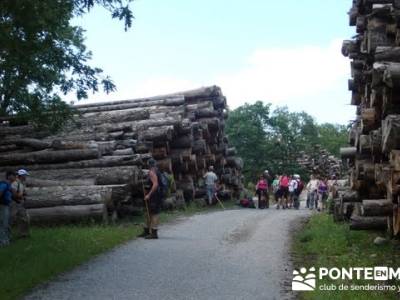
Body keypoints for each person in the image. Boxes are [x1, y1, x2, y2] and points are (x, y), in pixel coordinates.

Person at [141, 158, 162, 239]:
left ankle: (154, 233)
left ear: (149, 165)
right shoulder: (157, 171)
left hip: (154, 196)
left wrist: (149, 195)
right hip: (156, 195)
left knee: (154, 214)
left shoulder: (152, 172)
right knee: (148, 213)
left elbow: (155, 184)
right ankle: (146, 231)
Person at [11, 169, 30, 238]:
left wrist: (24, 195)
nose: (26, 177)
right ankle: (7, 235)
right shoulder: (15, 183)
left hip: (20, 203)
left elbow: (22, 193)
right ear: (22, 176)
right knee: (11, 219)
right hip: (14, 203)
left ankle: (23, 234)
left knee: (25, 218)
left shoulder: (22, 183)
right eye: (25, 176)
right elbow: (14, 194)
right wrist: (21, 196)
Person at [0, 171, 16, 246]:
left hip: (6, 205)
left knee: (6, 223)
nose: (15, 177)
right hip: (2, 205)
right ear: (9, 176)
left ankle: (6, 240)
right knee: (3, 224)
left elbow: (11, 196)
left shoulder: (9, 185)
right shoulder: (4, 184)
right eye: (14, 175)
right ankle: (3, 242)